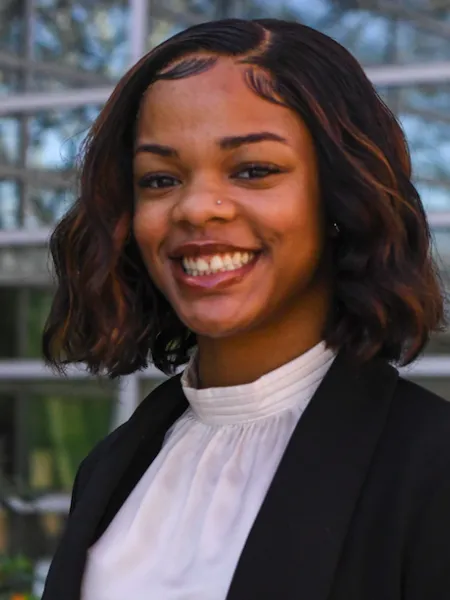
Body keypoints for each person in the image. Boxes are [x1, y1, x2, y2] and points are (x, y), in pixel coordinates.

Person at [41, 17, 450, 600]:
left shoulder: (430, 472)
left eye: (253, 170)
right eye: (159, 179)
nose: (196, 208)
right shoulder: (113, 464)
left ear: (340, 196)